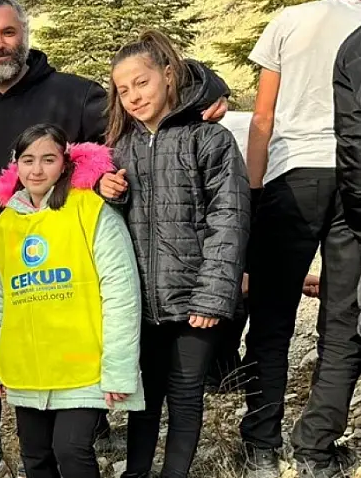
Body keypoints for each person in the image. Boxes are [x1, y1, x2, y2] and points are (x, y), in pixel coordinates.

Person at [0, 0, 230, 478]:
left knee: (66, 348)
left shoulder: (72, 92)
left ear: (24, 36)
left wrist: (210, 86)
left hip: (59, 263)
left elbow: (138, 104)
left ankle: (82, 429)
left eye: (8, 32)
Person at [97, 30, 250, 478]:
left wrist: (212, 297)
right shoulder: (119, 148)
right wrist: (105, 190)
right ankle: (136, 471)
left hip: (194, 300)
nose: (133, 97)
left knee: (185, 395)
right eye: (123, 90)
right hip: (139, 301)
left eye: (141, 83)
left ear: (168, 75)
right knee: (143, 397)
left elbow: (230, 220)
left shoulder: (209, 139)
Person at [239, 0, 361, 478]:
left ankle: (262, 444)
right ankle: (314, 447)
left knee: (271, 317)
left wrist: (252, 192)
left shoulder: (292, 18)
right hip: (356, 178)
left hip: (293, 176)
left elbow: (263, 117)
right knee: (343, 320)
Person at [0, 125, 144, 478]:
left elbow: (121, 291)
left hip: (82, 365)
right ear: (16, 166)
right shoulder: (6, 225)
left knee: (70, 450)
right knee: (35, 457)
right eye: (28, 160)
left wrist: (119, 368)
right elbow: (0, 300)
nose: (37, 170)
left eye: (48, 159)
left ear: (65, 163)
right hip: (28, 366)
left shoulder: (90, 210)